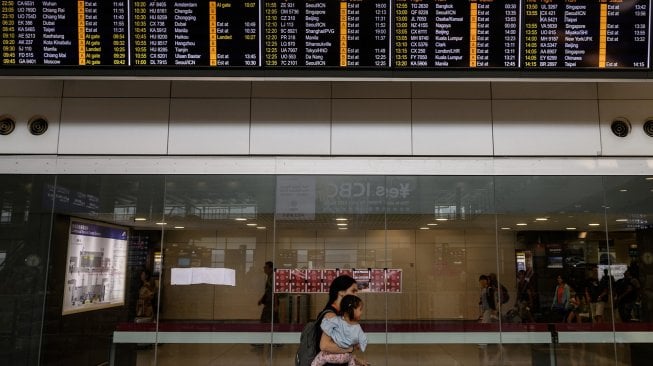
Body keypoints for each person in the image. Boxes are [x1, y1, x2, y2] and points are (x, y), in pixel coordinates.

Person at [315, 275, 361, 366]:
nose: (356, 295)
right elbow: (325, 345)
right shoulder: (331, 315)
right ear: (341, 292)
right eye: (353, 291)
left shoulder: (339, 313)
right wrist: (350, 348)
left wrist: (355, 359)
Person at [312, 295, 368, 366]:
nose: (362, 312)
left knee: (320, 357)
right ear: (352, 310)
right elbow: (324, 346)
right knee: (350, 358)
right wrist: (353, 348)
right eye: (360, 309)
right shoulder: (356, 327)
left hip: (332, 357)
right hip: (344, 357)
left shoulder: (335, 321)